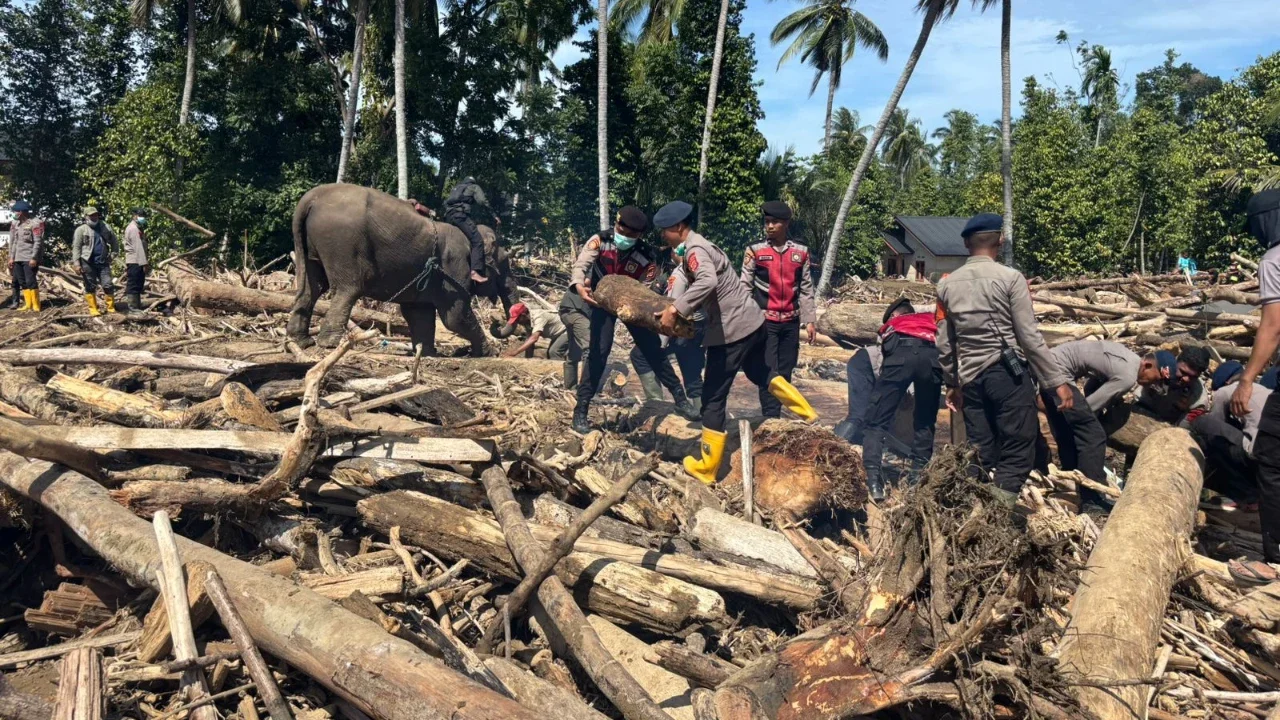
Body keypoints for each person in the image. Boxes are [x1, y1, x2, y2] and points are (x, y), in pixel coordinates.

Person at [652, 200, 817, 484]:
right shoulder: (702, 245)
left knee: (712, 397)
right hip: (754, 322)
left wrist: (675, 309)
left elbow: (706, 282)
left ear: (679, 227)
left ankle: (707, 468)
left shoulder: (695, 249)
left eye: (665, 231)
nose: (663, 237)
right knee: (760, 372)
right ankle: (808, 413)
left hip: (732, 331)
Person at [936, 213, 1075, 503]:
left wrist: (953, 383)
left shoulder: (947, 285)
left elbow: (945, 341)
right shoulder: (1011, 280)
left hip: (971, 379)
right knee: (1017, 450)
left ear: (966, 243)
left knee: (981, 451)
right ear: (1000, 240)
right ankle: (994, 518)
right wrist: (1056, 382)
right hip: (1007, 376)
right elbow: (1029, 337)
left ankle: (967, 509)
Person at [571, 205, 698, 433]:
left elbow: (647, 287)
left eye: (630, 235)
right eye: (620, 229)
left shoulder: (646, 255)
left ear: (639, 235)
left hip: (634, 304)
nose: (623, 236)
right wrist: (579, 285)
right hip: (601, 303)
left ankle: (680, 398)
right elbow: (582, 265)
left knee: (652, 349)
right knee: (598, 352)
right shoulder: (600, 240)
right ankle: (581, 410)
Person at [1230, 188, 1280, 578]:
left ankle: (1274, 558)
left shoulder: (1274, 259)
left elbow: (1273, 325)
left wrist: (1248, 378)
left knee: (1271, 455)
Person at [740, 201, 817, 418]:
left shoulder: (801, 251)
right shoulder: (755, 250)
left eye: (774, 222)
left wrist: (810, 320)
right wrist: (744, 319)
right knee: (768, 370)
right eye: (767, 222)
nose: (770, 226)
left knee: (786, 370)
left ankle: (780, 414)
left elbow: (806, 287)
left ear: (786, 223)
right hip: (765, 322)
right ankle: (770, 417)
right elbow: (745, 285)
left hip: (791, 322)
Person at [860, 298, 941, 501]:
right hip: (932, 361)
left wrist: (885, 396)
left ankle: (873, 482)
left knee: (876, 421)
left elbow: (881, 364)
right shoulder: (930, 320)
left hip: (898, 361)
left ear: (894, 316)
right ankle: (916, 479)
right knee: (925, 420)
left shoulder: (891, 326)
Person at [631, 263, 705, 412]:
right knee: (692, 375)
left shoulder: (678, 274)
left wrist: (662, 341)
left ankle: (656, 404)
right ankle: (702, 417)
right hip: (699, 326)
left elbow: (672, 307)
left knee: (640, 356)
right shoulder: (703, 269)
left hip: (677, 328)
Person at [442, 177, 498, 284]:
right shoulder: (473, 187)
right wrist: (493, 215)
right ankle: (474, 272)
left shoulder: (456, 188)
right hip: (460, 216)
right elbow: (482, 201)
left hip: (448, 217)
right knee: (477, 241)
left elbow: (446, 203)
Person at [71, 206, 119, 316]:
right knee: (90, 285)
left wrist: (112, 255)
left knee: (108, 284)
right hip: (87, 262)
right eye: (91, 215)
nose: (94, 217)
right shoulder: (81, 230)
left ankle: (111, 307)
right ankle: (93, 308)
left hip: (103, 261)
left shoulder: (105, 227)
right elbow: (76, 247)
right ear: (86, 217)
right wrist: (77, 264)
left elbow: (114, 242)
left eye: (95, 215)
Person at [494, 302, 570, 359]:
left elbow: (534, 338)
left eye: (517, 320)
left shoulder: (539, 317)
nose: (517, 322)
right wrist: (527, 360)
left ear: (523, 315)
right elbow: (529, 341)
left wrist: (515, 353)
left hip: (567, 330)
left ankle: (562, 375)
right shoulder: (527, 322)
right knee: (550, 354)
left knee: (554, 351)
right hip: (557, 335)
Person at [7, 200, 44, 312]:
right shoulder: (17, 225)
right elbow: (14, 242)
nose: (15, 213)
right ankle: (28, 304)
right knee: (22, 282)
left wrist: (34, 257)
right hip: (18, 257)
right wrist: (11, 257)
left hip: (29, 257)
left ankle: (36, 305)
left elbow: (38, 242)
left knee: (30, 281)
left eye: (16, 211)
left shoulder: (34, 223)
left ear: (21, 212)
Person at [558, 289, 591, 390]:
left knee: (574, 350)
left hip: (570, 311)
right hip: (575, 311)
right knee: (589, 348)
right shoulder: (586, 277)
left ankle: (570, 387)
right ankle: (586, 388)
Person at [123, 208, 149, 312]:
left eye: (143, 216)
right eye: (140, 215)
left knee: (139, 283)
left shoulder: (138, 228)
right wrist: (144, 263)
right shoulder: (133, 229)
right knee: (133, 283)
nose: (143, 218)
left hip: (138, 260)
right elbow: (138, 247)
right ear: (134, 216)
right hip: (135, 260)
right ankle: (133, 308)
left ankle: (137, 306)